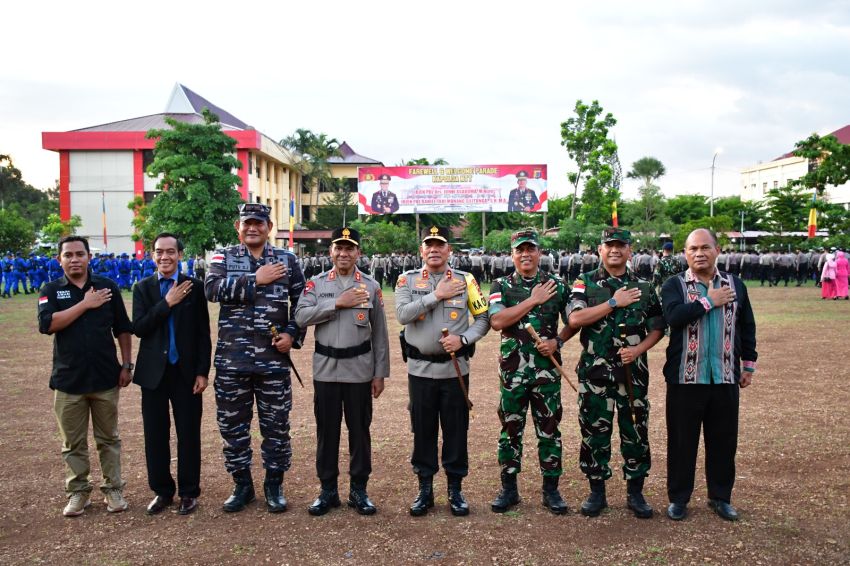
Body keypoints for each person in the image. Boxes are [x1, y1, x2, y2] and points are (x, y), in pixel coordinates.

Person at [205, 203, 306, 513]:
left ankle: (274, 484)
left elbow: (302, 303)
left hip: (273, 362)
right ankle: (242, 485)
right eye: (247, 222)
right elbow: (211, 289)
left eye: (258, 223)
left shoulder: (287, 260)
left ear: (269, 226)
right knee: (232, 427)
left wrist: (292, 335)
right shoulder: (224, 256)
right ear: (239, 227)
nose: (252, 228)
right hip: (232, 361)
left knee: (276, 426)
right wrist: (255, 279)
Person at [568, 228, 665, 519]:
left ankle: (635, 493)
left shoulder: (644, 286)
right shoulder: (584, 282)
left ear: (629, 250)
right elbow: (575, 318)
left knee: (635, 432)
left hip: (632, 375)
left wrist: (637, 351)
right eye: (609, 245)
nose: (615, 250)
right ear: (600, 250)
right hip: (595, 375)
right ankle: (596, 491)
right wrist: (613, 303)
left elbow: (658, 327)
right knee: (594, 433)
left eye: (620, 245)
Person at [662, 228, 758, 522]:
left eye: (705, 247)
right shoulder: (674, 285)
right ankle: (679, 499)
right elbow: (673, 317)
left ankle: (720, 497)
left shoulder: (735, 284)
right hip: (685, 378)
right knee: (682, 442)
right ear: (685, 254)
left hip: (725, 377)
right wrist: (708, 301)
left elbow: (747, 325)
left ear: (717, 250)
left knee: (724, 441)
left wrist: (748, 364)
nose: (699, 253)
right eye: (693, 249)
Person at [295, 227, 389, 516]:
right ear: (331, 252)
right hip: (326, 370)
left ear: (358, 252)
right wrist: (337, 302)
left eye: (350, 248)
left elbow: (380, 334)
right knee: (327, 432)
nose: (344, 253)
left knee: (360, 432)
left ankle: (359, 490)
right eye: (339, 247)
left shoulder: (371, 286)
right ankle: (328, 490)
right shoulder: (316, 284)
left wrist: (379, 373)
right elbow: (300, 316)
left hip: (360, 370)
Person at [396, 226, 490, 516]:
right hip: (420, 370)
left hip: (455, 370)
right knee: (422, 430)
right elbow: (402, 315)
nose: (434, 250)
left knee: (456, 430)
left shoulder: (467, 280)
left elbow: (483, 318)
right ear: (422, 251)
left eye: (440, 245)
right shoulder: (406, 280)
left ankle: (455, 489)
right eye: (429, 245)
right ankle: (425, 489)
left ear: (449, 250)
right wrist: (435, 295)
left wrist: (463, 339)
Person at [37, 236, 133, 517]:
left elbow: (123, 328)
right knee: (73, 443)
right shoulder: (51, 290)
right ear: (60, 260)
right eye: (69, 255)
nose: (75, 259)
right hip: (69, 381)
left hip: (105, 377)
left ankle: (113, 489)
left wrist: (127, 364)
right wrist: (85, 304)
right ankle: (78, 493)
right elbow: (48, 324)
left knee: (109, 439)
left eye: (80, 254)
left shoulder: (107, 286)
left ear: (89, 257)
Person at [488, 229, 575, 515]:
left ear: (539, 253)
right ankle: (509, 489)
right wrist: (532, 300)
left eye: (531, 249)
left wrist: (558, 341)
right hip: (512, 373)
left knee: (549, 429)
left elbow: (574, 320)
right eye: (520, 250)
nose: (525, 254)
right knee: (510, 428)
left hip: (546, 373)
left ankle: (551, 490)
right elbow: (498, 321)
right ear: (512, 254)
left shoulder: (558, 285)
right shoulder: (500, 285)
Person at [132, 233, 211, 516]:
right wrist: (167, 303)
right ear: (152, 255)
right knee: (155, 434)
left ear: (180, 254)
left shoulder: (194, 287)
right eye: (158, 252)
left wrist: (202, 371)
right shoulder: (143, 288)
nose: (164, 257)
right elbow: (139, 327)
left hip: (186, 373)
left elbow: (203, 333)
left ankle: (189, 492)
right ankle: (162, 491)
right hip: (154, 374)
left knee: (188, 433)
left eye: (170, 252)